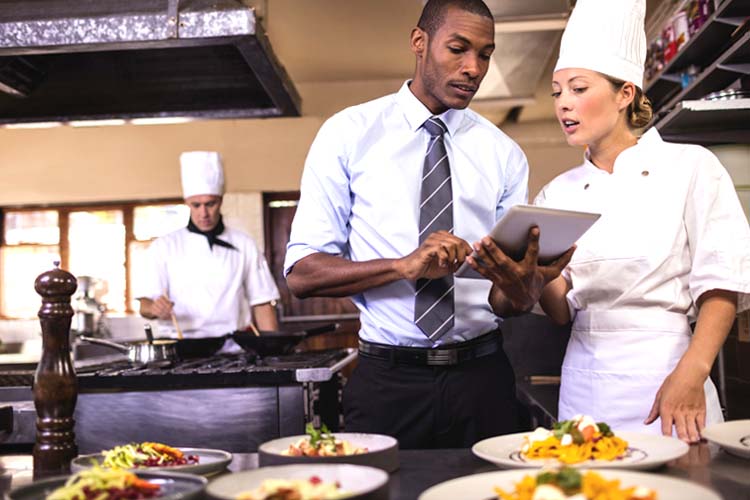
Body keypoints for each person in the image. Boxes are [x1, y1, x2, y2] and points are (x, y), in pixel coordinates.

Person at [283, 0, 572, 448]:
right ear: (420, 43)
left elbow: (504, 301)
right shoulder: (348, 134)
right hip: (386, 383)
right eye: (458, 49)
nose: (473, 68)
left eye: (485, 54)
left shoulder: (503, 154)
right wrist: (405, 266)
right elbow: (302, 274)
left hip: (483, 378)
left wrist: (524, 286)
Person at [522, 0, 750, 442]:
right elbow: (558, 308)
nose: (563, 104)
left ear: (625, 93)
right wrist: (531, 273)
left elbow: (720, 282)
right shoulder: (558, 193)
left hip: (669, 376)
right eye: (557, 91)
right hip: (586, 386)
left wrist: (692, 373)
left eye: (578, 88)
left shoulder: (690, 167)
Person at [138, 151, 280, 339]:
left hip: (234, 346)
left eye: (210, 204)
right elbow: (145, 306)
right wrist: (155, 308)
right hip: (183, 346)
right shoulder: (163, 246)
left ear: (220, 201)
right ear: (187, 203)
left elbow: (262, 303)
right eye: (196, 205)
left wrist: (273, 351)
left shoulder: (244, 244)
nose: (203, 213)